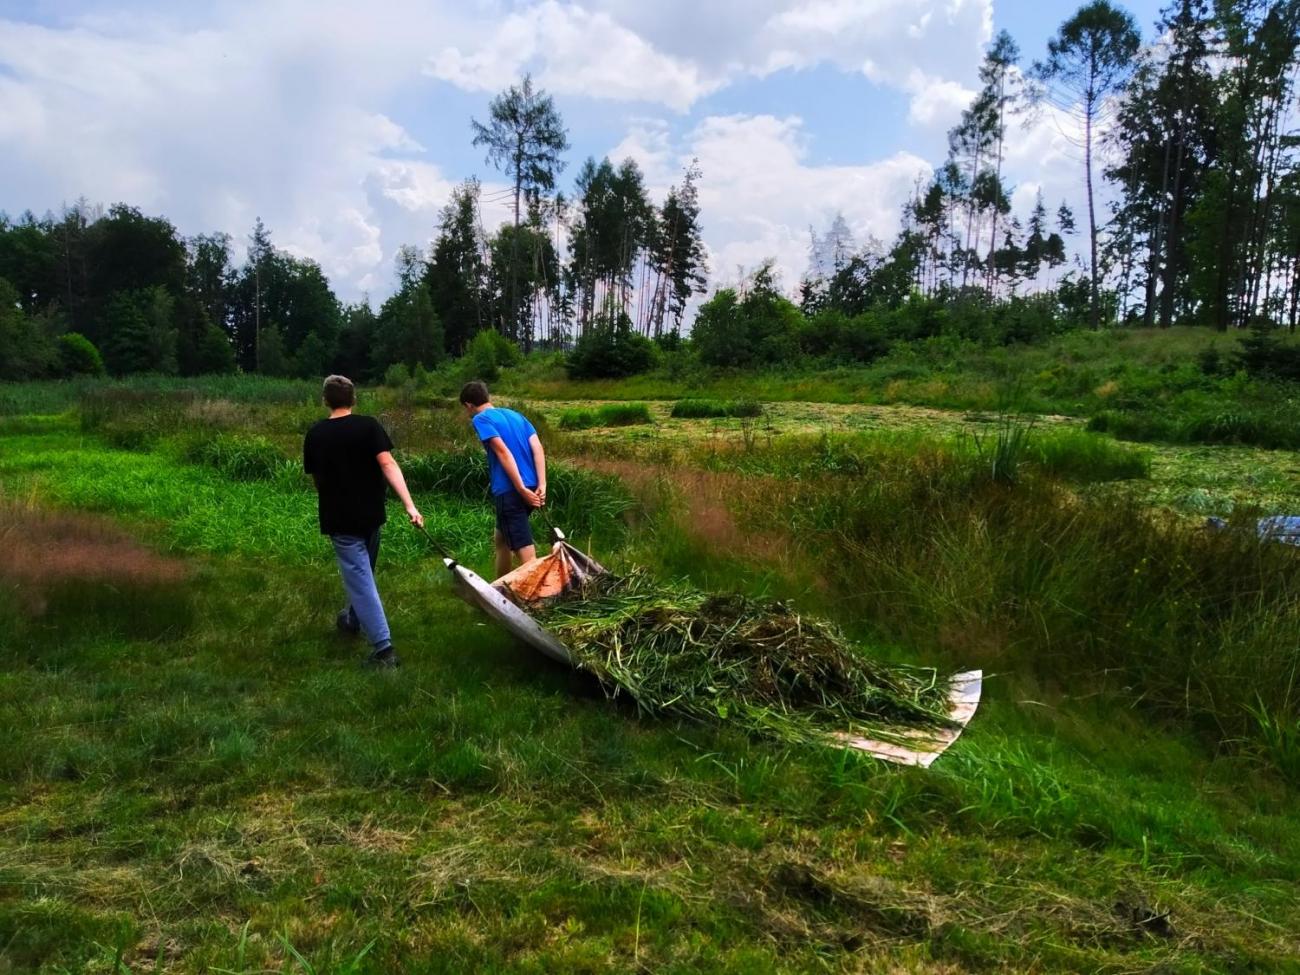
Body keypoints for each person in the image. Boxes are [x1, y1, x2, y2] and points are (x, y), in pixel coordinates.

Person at [304, 375, 423, 669]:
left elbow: (317, 478)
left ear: (325, 400)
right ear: (353, 399)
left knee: (361, 579)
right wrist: (410, 505)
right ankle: (352, 619)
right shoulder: (368, 426)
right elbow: (387, 464)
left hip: (340, 518)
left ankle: (384, 651)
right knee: (363, 575)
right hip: (371, 515)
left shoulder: (315, 434)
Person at [458, 380, 547, 579]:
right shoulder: (517, 416)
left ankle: (541, 602)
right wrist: (542, 484)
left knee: (527, 557)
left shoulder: (481, 419)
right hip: (532, 485)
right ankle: (501, 588)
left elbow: (502, 452)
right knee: (502, 540)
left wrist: (521, 489)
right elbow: (538, 448)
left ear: (468, 405)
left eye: (466, 409)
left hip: (511, 490)